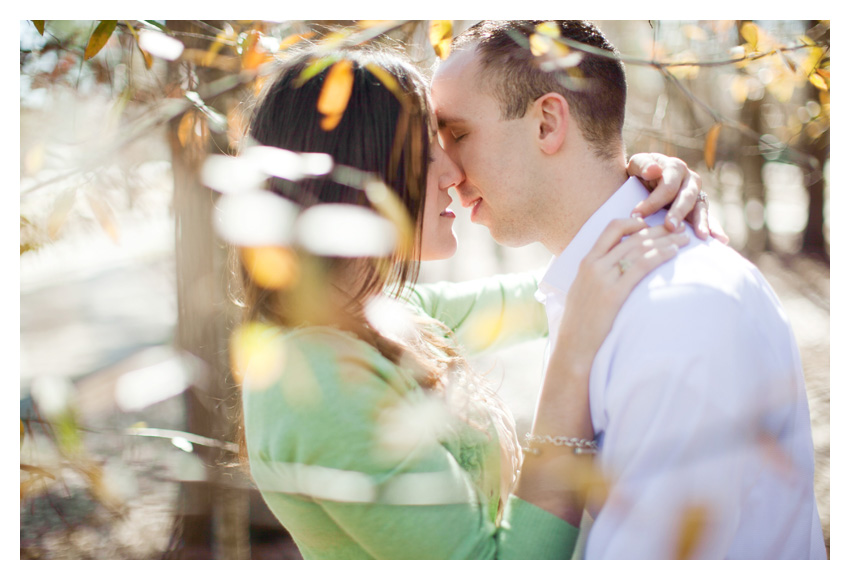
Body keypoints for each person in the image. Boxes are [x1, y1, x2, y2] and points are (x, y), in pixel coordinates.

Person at [234, 45, 711, 560]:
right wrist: (571, 368)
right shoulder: (314, 383)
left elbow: (555, 293)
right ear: (354, 177)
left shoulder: (387, 313)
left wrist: (635, 190)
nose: (452, 174)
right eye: (426, 150)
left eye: (453, 140)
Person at [431, 20, 826, 559]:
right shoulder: (595, 288)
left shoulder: (680, 312)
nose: (446, 171)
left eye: (457, 134)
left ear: (548, 123)